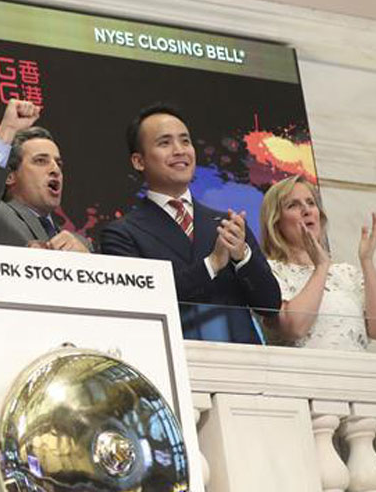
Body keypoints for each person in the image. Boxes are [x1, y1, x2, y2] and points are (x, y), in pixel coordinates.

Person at [100, 103, 281, 343]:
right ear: (139, 161)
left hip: (241, 359)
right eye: (165, 143)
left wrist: (242, 257)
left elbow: (270, 305)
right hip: (173, 356)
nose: (179, 150)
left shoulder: (228, 224)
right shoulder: (122, 234)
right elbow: (140, 304)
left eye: (185, 141)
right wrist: (212, 264)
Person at [258, 175, 376, 350]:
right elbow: (295, 328)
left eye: (311, 203)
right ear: (275, 222)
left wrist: (367, 262)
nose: (306, 210)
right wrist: (321, 266)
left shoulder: (346, 273)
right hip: (301, 368)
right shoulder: (269, 271)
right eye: (293, 205)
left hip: (355, 367)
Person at [0, 100, 88, 251]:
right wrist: (8, 130)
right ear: (9, 176)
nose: (55, 169)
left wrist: (86, 260)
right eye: (40, 161)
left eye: (58, 163)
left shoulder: (81, 243)